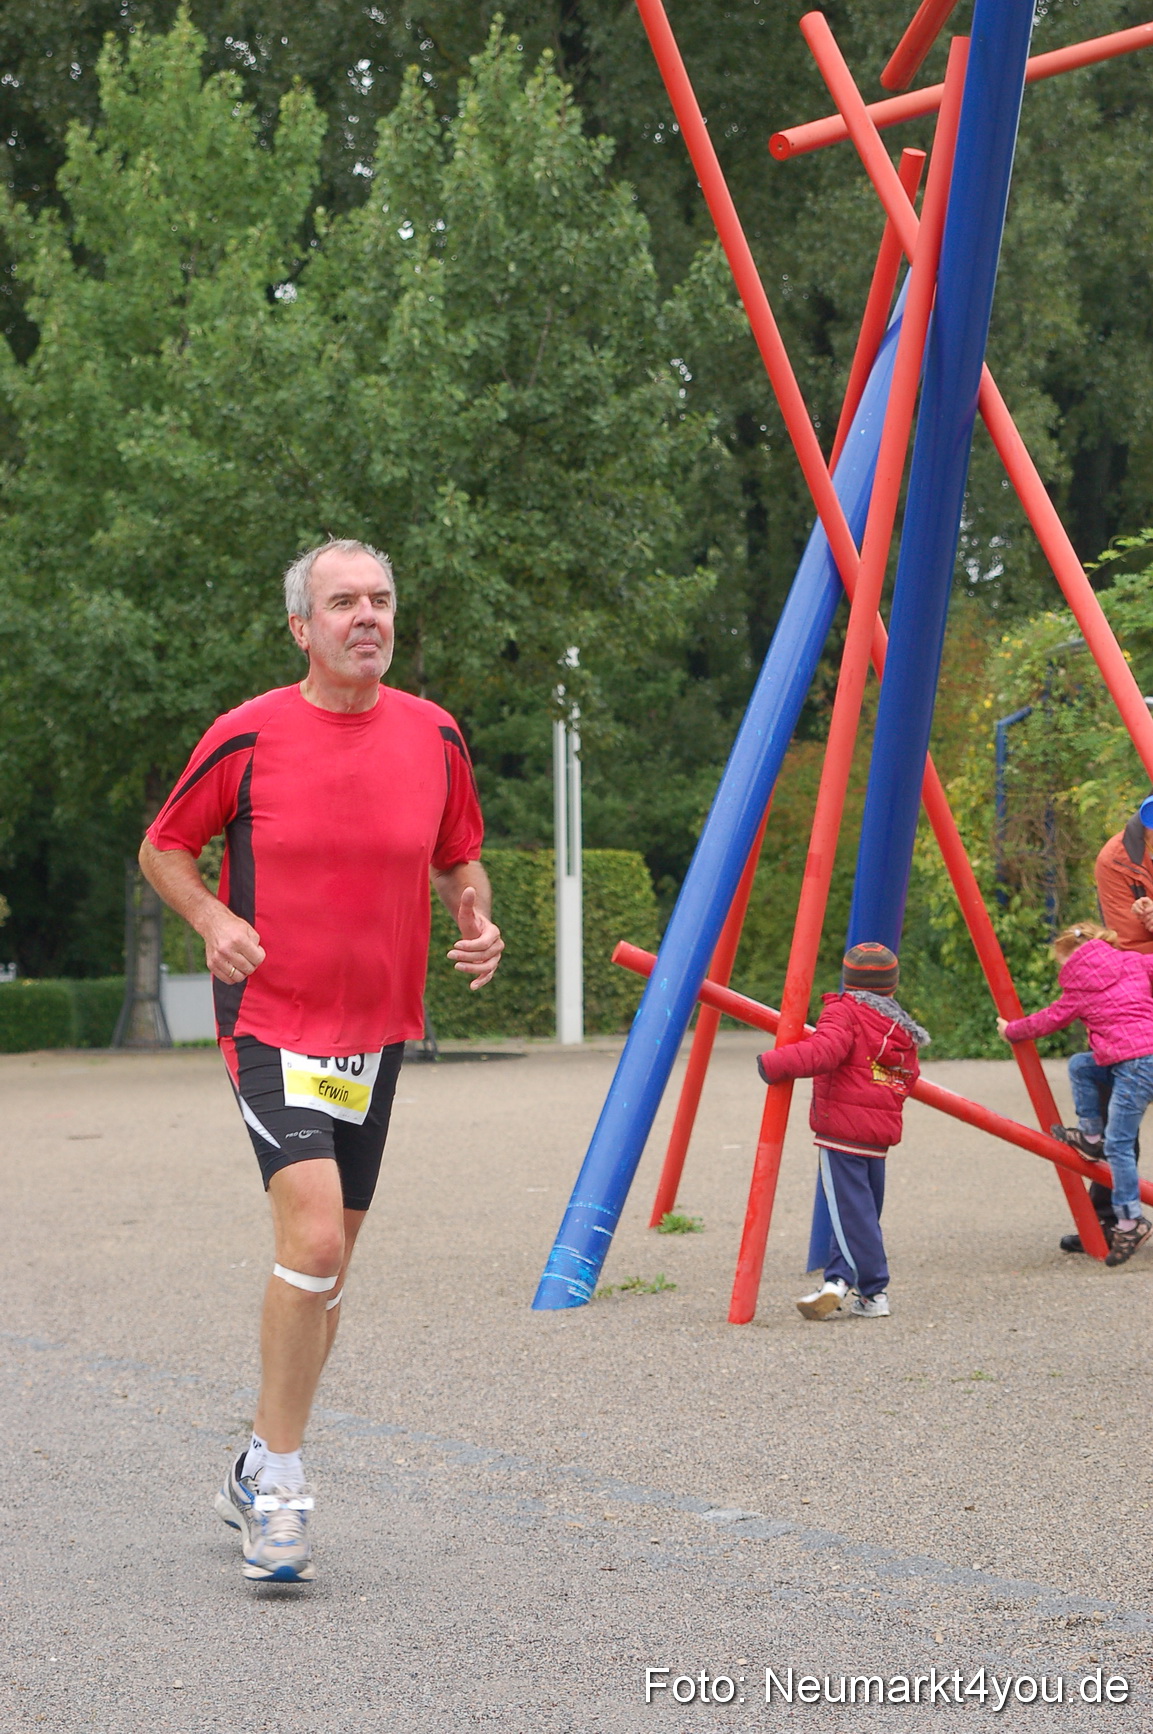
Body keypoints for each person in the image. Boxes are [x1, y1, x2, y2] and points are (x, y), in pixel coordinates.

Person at [139, 538, 503, 1583]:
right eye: (343, 602)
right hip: (272, 1020)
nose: (367, 617)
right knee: (312, 1236)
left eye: (380, 600)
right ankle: (286, 1485)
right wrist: (210, 916)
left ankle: (256, 1459)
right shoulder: (246, 735)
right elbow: (164, 846)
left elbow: (456, 852)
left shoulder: (434, 735)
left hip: (377, 1031)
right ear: (302, 626)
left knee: (328, 1266)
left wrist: (475, 917)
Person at [756, 942, 929, 1321]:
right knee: (856, 1210)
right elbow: (908, 1076)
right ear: (892, 986)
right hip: (877, 1132)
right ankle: (837, 1279)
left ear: (848, 980)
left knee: (851, 1213)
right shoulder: (899, 1025)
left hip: (843, 1131)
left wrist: (774, 1063)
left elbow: (825, 1050)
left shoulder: (844, 1011)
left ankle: (874, 1290)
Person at [998, 921, 1153, 1268]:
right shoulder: (1132, 961)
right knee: (1082, 1065)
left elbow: (1047, 1020)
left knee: (1120, 1146)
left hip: (1135, 1066)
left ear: (1071, 957)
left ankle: (1131, 1221)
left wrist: (1011, 1031)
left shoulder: (1079, 987)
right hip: (1138, 1058)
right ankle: (1090, 1134)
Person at [1056, 799, 1153, 1253]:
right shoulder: (1118, 858)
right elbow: (1130, 949)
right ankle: (1109, 1215)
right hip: (1139, 998)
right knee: (1113, 1097)